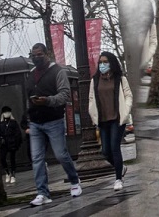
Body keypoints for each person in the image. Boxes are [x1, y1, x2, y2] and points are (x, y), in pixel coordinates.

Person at [26, 43, 81, 206]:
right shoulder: (30, 74)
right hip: (35, 121)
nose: (36, 58)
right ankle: (42, 193)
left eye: (39, 55)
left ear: (46, 54)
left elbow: (65, 95)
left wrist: (48, 101)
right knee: (37, 158)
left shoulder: (58, 71)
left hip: (53, 120)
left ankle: (74, 180)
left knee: (60, 154)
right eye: (33, 55)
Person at [88, 51, 134, 191]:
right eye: (100, 62)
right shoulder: (95, 80)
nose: (102, 65)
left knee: (115, 148)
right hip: (102, 120)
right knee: (106, 152)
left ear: (112, 63)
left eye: (105, 62)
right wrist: (93, 113)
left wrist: (125, 111)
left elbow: (128, 96)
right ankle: (121, 168)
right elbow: (91, 99)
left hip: (117, 118)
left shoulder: (120, 79)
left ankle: (118, 179)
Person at [0, 106, 22, 184]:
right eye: (5, 112)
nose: (6, 113)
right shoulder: (0, 124)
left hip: (12, 142)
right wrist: (0, 141)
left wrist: (16, 142)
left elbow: (18, 133)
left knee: (12, 159)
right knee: (2, 158)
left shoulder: (13, 123)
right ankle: (7, 173)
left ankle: (13, 174)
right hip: (4, 143)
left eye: (8, 112)